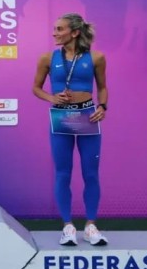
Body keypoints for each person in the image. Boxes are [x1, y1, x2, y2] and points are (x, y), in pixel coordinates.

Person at [31, 13, 109, 246]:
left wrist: (103, 106)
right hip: (61, 118)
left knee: (90, 173)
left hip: (88, 116)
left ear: (74, 32)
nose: (54, 33)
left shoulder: (96, 57)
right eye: (54, 28)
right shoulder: (47, 58)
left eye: (59, 29)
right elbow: (36, 88)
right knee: (63, 173)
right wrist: (52, 97)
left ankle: (91, 227)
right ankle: (68, 226)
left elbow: (102, 87)